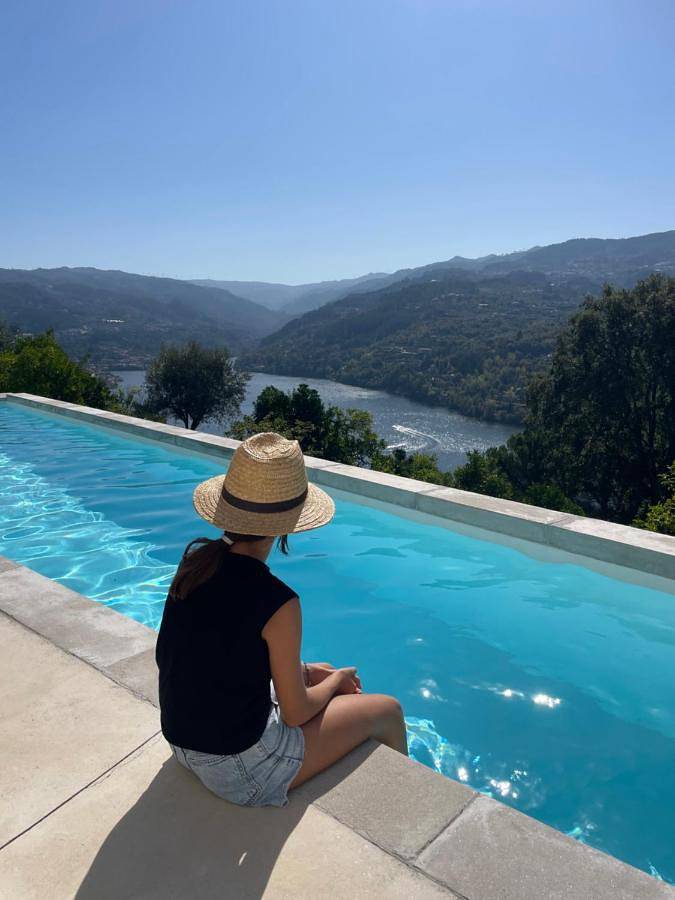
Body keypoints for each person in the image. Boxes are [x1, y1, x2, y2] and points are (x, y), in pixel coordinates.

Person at [155, 431, 407, 808]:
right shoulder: (278, 601)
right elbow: (295, 714)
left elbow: (220, 652)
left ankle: (312, 675)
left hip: (182, 746)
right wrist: (338, 680)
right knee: (387, 710)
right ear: (287, 524)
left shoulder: (195, 564)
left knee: (313, 669)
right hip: (240, 770)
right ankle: (403, 805)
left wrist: (309, 673)